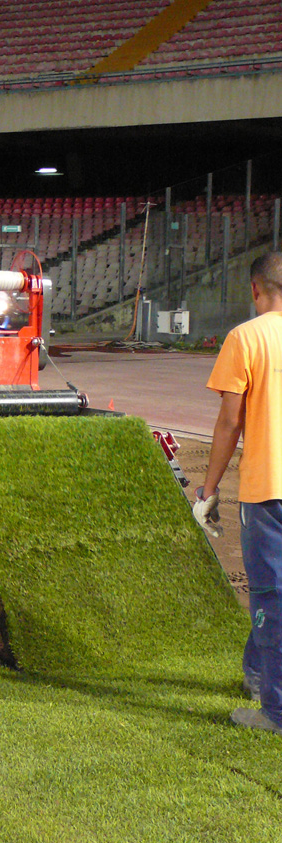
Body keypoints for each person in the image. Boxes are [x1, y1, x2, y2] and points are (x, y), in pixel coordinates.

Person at [194, 251, 282, 736]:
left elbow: (230, 421)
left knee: (269, 595)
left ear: (255, 289)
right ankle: (256, 673)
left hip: (268, 490)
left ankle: (275, 711)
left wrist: (208, 490)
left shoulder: (246, 337)